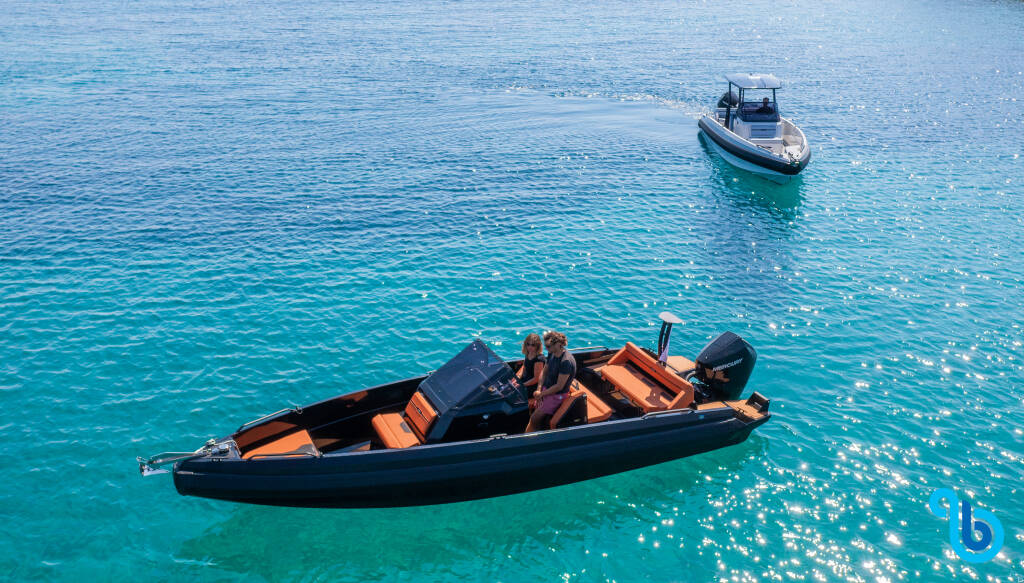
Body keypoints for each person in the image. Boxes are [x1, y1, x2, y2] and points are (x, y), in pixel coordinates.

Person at [525, 331, 577, 433]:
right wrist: (539, 389)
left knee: (534, 418)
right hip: (546, 389)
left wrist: (541, 394)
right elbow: (544, 371)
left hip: (557, 395)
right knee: (534, 410)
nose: (546, 349)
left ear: (558, 344)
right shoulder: (552, 352)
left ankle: (534, 437)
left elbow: (559, 386)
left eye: (548, 346)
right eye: (545, 346)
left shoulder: (566, 362)